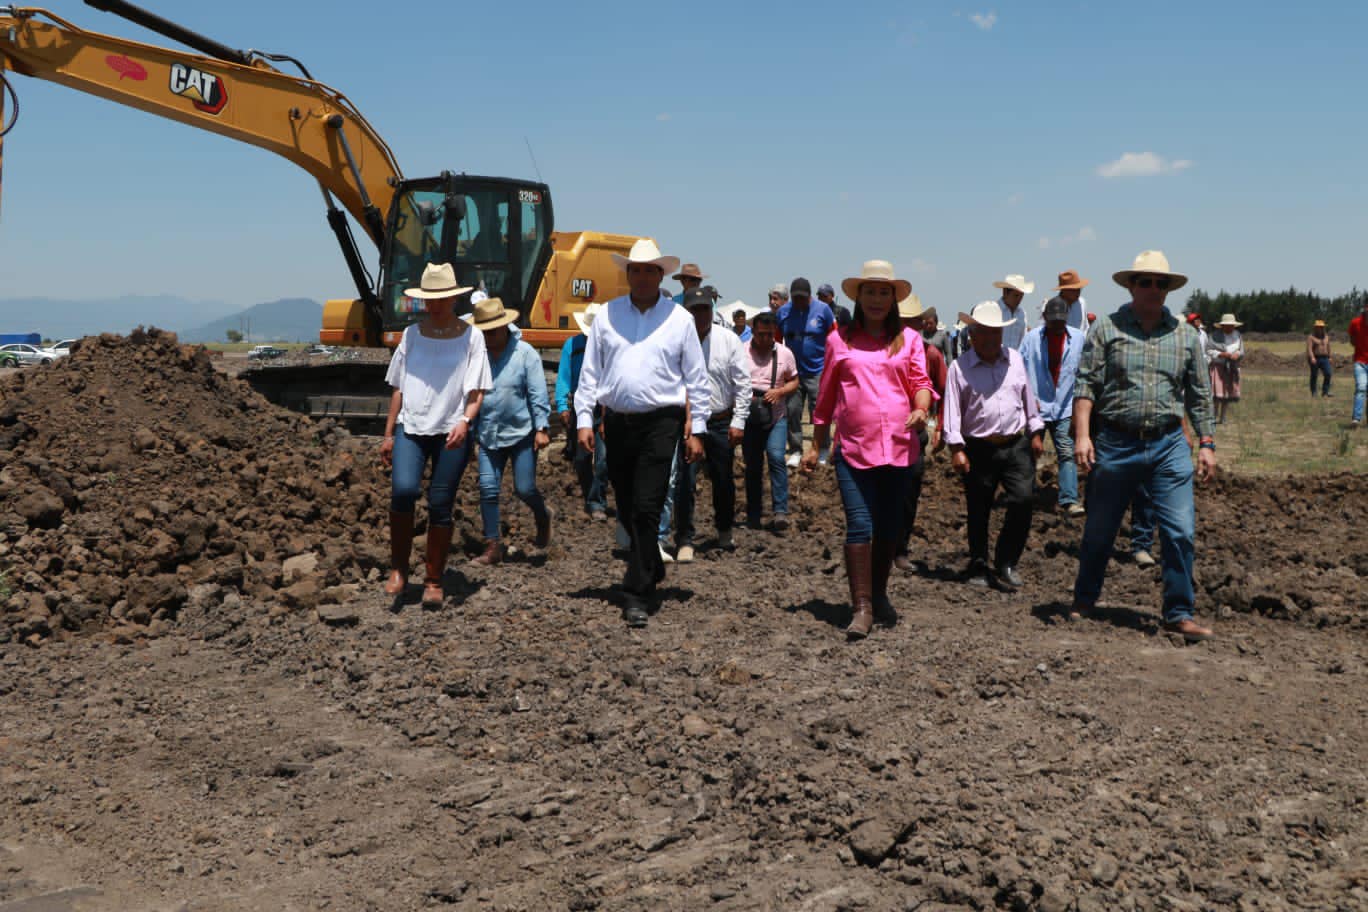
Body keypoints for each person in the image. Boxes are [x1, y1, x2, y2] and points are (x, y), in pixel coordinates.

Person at [1073, 250, 1218, 642]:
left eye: (1161, 283)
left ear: (1168, 290)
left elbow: (1200, 395)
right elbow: (1086, 385)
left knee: (1180, 531)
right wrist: (1083, 435)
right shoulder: (1107, 328)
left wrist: (1206, 443)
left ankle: (1178, 613)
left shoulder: (1185, 336)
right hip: (1116, 443)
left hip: (1169, 444)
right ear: (1132, 286)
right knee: (1100, 530)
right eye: (1145, 282)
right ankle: (1085, 599)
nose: (1153, 289)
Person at [575, 239, 709, 628]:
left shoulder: (679, 319)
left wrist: (696, 428)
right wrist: (585, 419)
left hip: (662, 421)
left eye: (651, 270)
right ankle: (650, 564)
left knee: (649, 505)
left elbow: (696, 380)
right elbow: (591, 372)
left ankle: (636, 592)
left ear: (660, 275)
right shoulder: (607, 316)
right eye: (636, 269)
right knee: (630, 506)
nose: (643, 276)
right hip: (616, 422)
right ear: (628, 273)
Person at [804, 260, 934, 640]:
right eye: (870, 291)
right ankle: (861, 607)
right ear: (858, 297)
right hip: (854, 451)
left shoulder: (908, 340)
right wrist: (815, 447)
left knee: (890, 528)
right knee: (860, 524)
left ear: (893, 299)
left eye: (883, 292)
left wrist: (921, 408)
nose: (877, 299)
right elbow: (825, 400)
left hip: (899, 449)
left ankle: (878, 593)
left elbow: (921, 383)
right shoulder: (838, 341)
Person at [380, 263, 491, 607]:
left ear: (454, 299)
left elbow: (477, 390)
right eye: (431, 299)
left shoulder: (472, 337)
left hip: (451, 430)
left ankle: (433, 580)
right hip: (411, 426)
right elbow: (398, 387)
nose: (436, 305)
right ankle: (398, 568)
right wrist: (388, 434)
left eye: (442, 298)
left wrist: (465, 421)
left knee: (441, 502)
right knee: (404, 490)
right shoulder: (411, 335)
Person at [943, 301, 1045, 591]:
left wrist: (1036, 431)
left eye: (995, 333)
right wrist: (956, 448)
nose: (990, 339)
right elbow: (952, 410)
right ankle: (978, 562)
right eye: (984, 333)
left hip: (1016, 444)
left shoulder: (1014, 359)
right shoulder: (959, 368)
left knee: (1023, 500)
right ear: (972, 335)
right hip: (979, 447)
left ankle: (1006, 561)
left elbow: (1028, 398)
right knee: (979, 507)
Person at [471, 297, 553, 565]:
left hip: (521, 433)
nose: (488, 337)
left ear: (505, 327)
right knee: (487, 488)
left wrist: (541, 427)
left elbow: (537, 393)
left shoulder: (525, 354)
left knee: (525, 487)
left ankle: (542, 516)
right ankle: (493, 546)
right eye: (483, 332)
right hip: (487, 434)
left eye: (492, 332)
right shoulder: (476, 355)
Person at [671, 289, 751, 561]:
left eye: (704, 309)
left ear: (712, 309)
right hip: (688, 421)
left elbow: (742, 383)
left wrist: (739, 420)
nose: (700, 314)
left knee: (723, 479)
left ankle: (724, 528)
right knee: (684, 480)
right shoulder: (678, 341)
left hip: (719, 420)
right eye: (695, 309)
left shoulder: (729, 340)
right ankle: (684, 538)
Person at [1020, 296, 1087, 516]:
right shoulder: (1031, 339)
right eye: (1053, 321)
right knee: (1031, 451)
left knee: (1066, 451)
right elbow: (1020, 371)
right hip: (1036, 405)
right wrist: (1027, 400)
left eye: (1061, 321)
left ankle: (1069, 499)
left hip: (1065, 404)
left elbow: (1085, 373)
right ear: (1045, 318)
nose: (1057, 325)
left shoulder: (1078, 339)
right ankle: (1026, 496)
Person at [894, 294, 946, 571]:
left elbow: (944, 391)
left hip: (914, 435)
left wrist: (940, 427)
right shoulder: (879, 353)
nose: (907, 329)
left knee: (908, 494)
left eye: (911, 323)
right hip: (883, 436)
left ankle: (900, 549)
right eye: (902, 322)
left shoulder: (931, 354)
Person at [743, 311, 799, 532]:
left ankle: (780, 511)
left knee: (776, 457)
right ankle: (754, 513)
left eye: (769, 334)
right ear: (753, 333)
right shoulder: (741, 352)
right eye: (760, 335)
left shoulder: (785, 354)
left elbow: (795, 380)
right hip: (749, 417)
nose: (765, 339)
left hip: (776, 416)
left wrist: (780, 391)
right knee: (753, 466)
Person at [556, 303, 610, 520]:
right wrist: (562, 406)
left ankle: (597, 502)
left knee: (603, 458)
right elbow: (564, 377)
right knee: (581, 457)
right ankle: (590, 495)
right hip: (581, 404)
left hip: (605, 406)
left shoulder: (609, 346)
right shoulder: (573, 345)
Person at [778, 277, 837, 467]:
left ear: (810, 296)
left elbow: (834, 336)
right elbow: (777, 339)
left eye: (803, 298)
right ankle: (795, 450)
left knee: (819, 412)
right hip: (793, 373)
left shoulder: (823, 310)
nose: (799, 302)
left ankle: (822, 447)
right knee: (793, 411)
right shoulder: (783, 312)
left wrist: (831, 363)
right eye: (795, 298)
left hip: (818, 371)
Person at [1206, 313, 1245, 424]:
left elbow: (1241, 350)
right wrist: (1222, 354)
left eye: (1231, 325)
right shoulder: (1214, 336)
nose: (1230, 327)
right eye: (1227, 325)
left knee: (1227, 394)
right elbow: (1208, 350)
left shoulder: (1238, 335)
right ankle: (1213, 417)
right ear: (1222, 326)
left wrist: (1238, 354)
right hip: (1219, 368)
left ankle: (1223, 418)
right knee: (1217, 394)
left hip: (1232, 367)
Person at [992, 274, 1035, 350]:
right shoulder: (994, 310)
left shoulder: (1022, 314)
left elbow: (1023, 340)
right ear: (1005, 292)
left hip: (1016, 359)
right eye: (1016, 295)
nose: (1019, 299)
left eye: (1021, 296)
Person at [1351, 299, 1368, 427]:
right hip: (1360, 362)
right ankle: (1356, 418)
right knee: (1361, 387)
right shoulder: (1355, 323)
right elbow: (1352, 340)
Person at [1307, 320, 1333, 397]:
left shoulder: (1326, 337)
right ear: (1315, 328)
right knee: (1314, 375)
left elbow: (1329, 347)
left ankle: (1325, 391)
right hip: (1315, 358)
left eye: (1322, 327)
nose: (1321, 329)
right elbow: (1309, 349)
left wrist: (1330, 357)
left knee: (1328, 373)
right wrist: (1312, 357)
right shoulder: (1311, 337)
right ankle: (1314, 392)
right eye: (1319, 327)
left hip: (1325, 358)